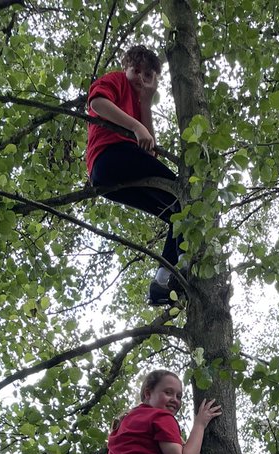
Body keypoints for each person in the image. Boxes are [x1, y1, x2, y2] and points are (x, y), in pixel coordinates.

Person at [86, 45, 183, 306]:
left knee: (178, 211)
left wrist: (146, 103)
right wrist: (135, 125)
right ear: (125, 67)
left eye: (147, 75)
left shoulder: (140, 103)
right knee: (182, 194)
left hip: (115, 177)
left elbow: (149, 153)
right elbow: (96, 103)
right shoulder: (116, 80)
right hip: (109, 157)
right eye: (136, 70)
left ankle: (163, 282)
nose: (140, 77)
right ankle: (187, 262)